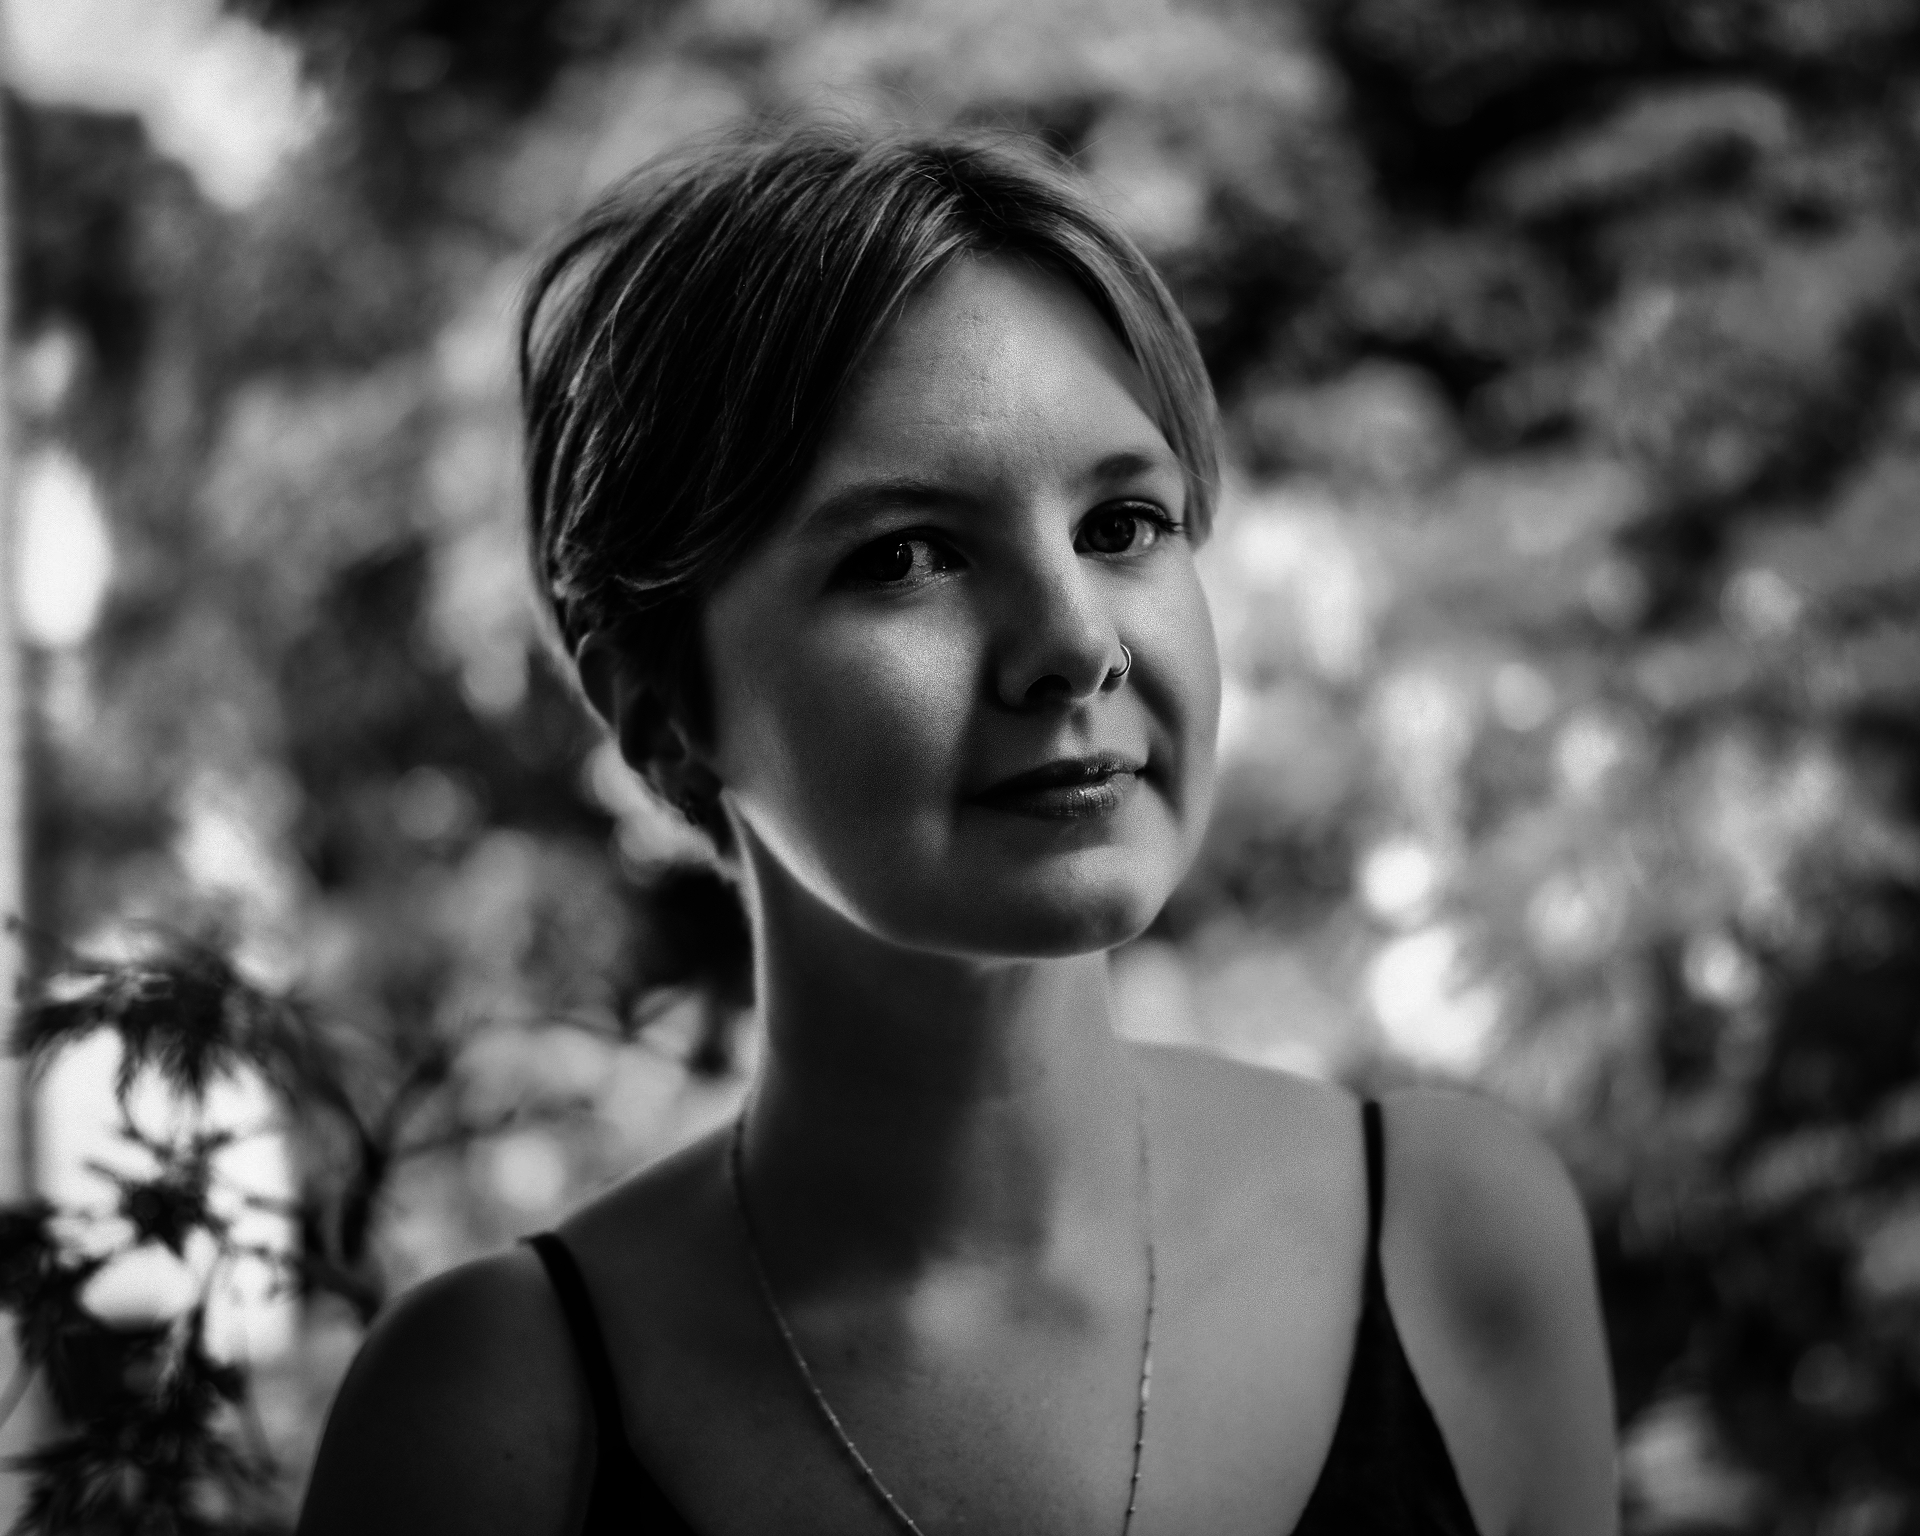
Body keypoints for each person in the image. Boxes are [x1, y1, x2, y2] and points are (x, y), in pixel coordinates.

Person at [297, 121, 1617, 1536]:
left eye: (1122, 525)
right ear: (663, 715)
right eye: (908, 556)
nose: (1076, 643)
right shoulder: (490, 1420)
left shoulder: (1456, 1244)